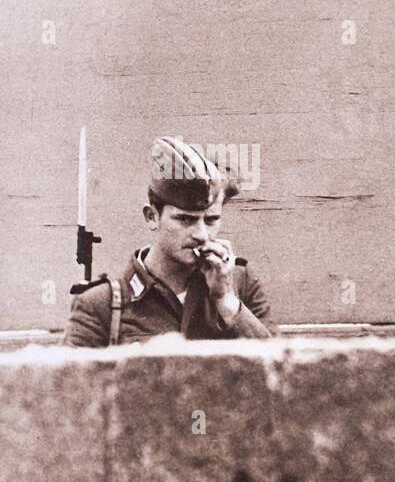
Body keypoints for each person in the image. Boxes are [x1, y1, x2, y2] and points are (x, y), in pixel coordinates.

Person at [63, 136, 275, 346]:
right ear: (152, 217)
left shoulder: (240, 284)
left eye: (211, 220)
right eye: (185, 219)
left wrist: (227, 302)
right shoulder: (102, 306)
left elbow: (281, 370)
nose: (201, 234)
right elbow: (68, 380)